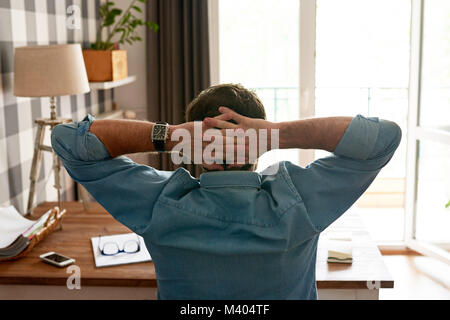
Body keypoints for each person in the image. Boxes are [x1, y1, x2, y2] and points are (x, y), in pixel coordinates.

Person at [51, 83, 401, 299]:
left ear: (193, 150)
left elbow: (67, 141)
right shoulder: (299, 201)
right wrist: (275, 134)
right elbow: (384, 138)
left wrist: (171, 134)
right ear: (258, 145)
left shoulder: (160, 203)